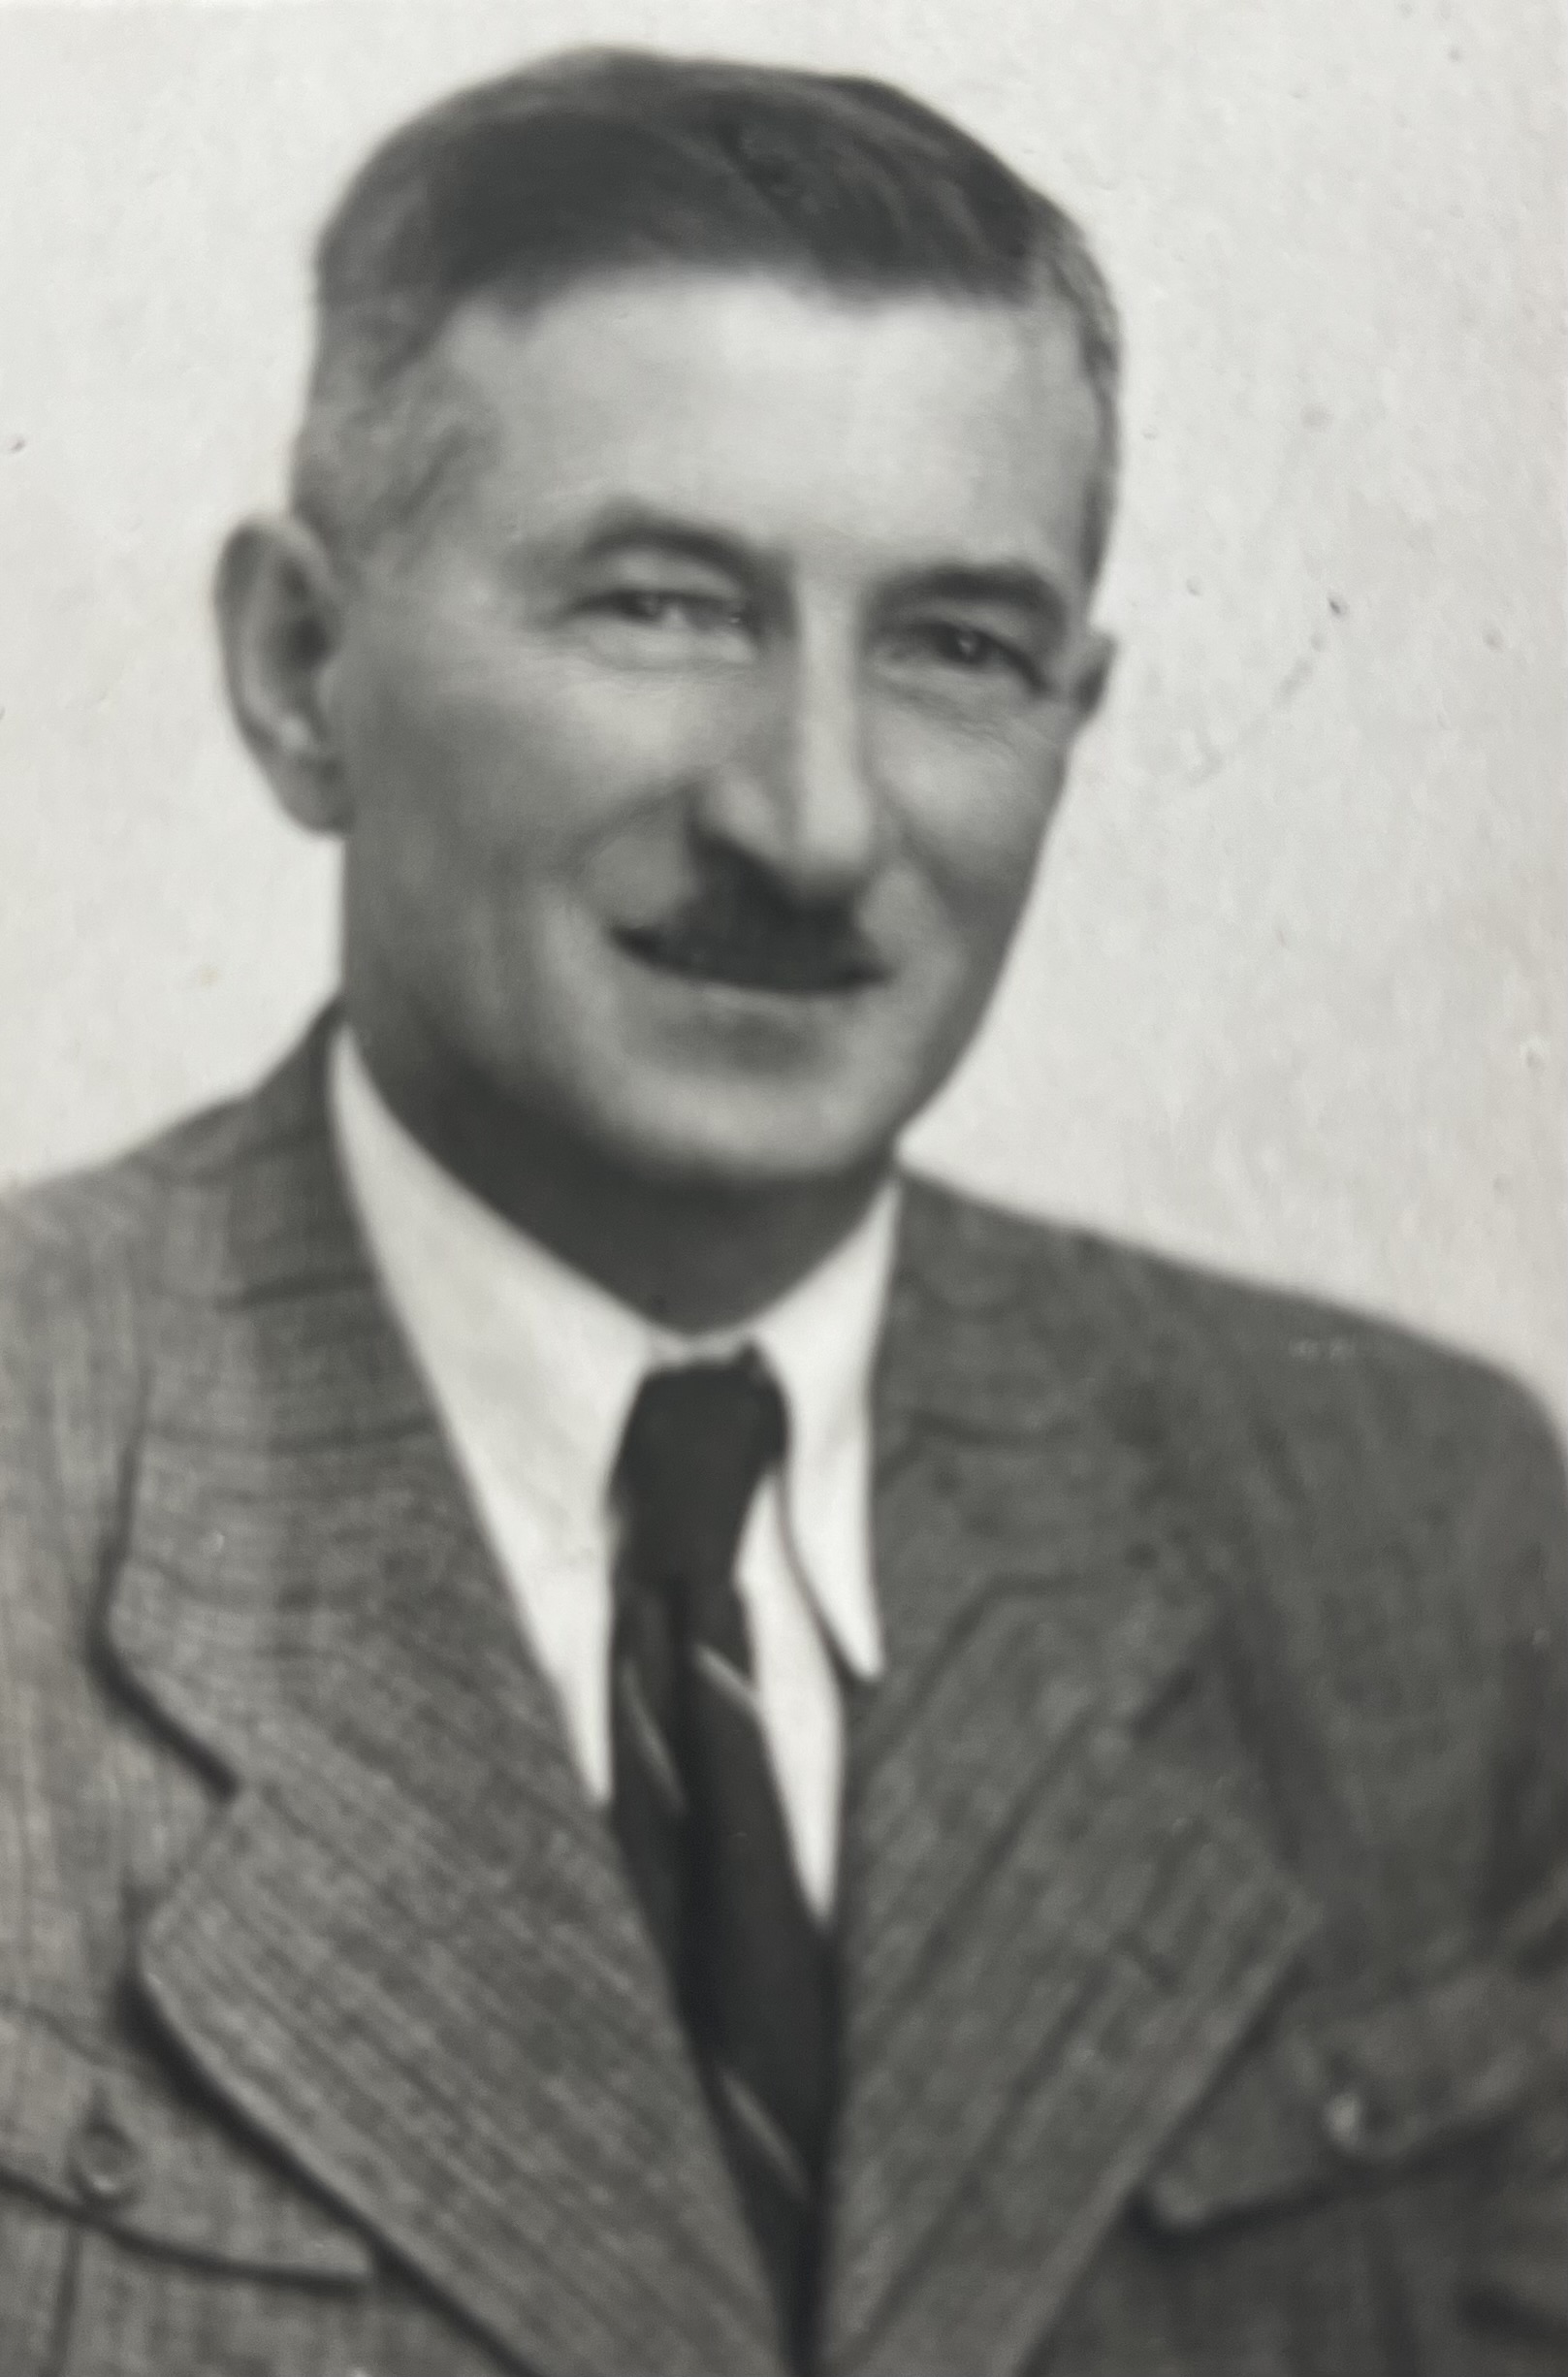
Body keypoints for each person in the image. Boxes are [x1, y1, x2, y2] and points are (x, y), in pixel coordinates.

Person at [0, 47, 1562, 2377]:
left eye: (954, 646)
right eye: (659, 604)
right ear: (299, 670)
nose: (814, 822)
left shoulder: (1411, 1542)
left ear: (1075, 709)